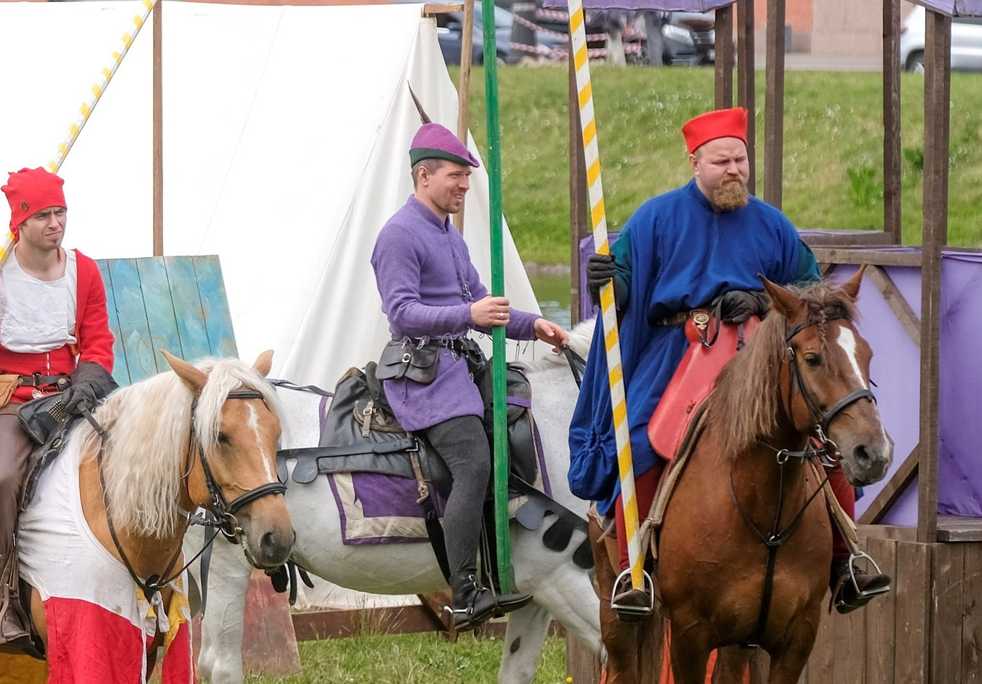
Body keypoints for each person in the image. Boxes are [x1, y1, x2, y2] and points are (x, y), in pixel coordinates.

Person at [571, 107, 890, 619]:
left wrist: (763, 304)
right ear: (694, 162)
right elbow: (624, 287)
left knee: (822, 434)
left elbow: (812, 296)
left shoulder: (772, 224)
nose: (734, 170)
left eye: (740, 159)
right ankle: (637, 571)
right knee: (641, 440)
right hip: (679, 350)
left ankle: (846, 561)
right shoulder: (656, 218)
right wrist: (609, 279)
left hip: (761, 356)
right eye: (721, 161)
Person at [372, 124, 572, 629]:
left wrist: (537, 325)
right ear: (424, 176)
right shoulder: (398, 234)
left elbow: (484, 304)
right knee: (473, 462)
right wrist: (469, 316)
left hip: (460, 367)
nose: (464, 186)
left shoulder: (449, 236)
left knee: (517, 432)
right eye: (456, 176)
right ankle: (463, 592)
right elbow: (402, 315)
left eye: (466, 177)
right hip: (423, 376)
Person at [0, 167, 115, 645]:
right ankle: (2, 601)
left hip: (69, 399)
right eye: (45, 215)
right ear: (20, 223)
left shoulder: (84, 271)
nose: (56, 224)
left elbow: (98, 344)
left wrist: (87, 382)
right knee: (4, 477)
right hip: (6, 399)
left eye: (61, 212)